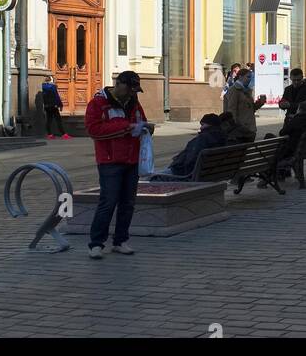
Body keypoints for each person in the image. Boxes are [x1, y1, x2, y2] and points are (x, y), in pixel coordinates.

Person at [84, 70, 152, 258]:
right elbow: (93, 129)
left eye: (135, 90)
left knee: (128, 203)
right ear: (119, 84)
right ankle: (96, 244)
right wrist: (126, 127)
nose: (133, 93)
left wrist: (146, 127)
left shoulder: (134, 102)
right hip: (110, 161)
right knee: (108, 202)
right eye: (130, 88)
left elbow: (141, 120)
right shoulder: (98, 103)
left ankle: (121, 240)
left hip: (132, 159)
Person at [166, 113, 226, 179]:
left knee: (154, 176)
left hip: (185, 173)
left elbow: (191, 160)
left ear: (210, 125)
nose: (201, 127)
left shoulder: (204, 138)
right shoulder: (222, 137)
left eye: (203, 125)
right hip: (210, 173)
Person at [223, 69, 266, 141]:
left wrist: (260, 103)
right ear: (240, 77)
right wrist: (235, 127)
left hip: (250, 128)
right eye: (248, 77)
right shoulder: (234, 90)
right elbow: (231, 110)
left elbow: (250, 108)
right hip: (241, 130)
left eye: (250, 77)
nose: (249, 79)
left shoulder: (247, 90)